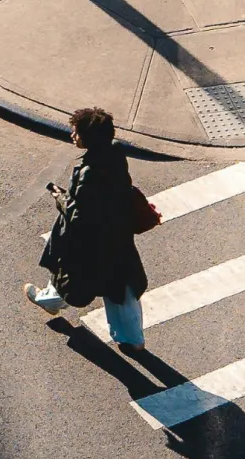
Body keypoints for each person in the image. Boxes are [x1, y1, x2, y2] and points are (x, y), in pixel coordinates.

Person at [24, 106, 151, 351]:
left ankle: (49, 301)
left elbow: (77, 214)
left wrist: (59, 197)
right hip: (117, 235)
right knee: (120, 287)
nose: (72, 136)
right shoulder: (116, 153)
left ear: (88, 139)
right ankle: (132, 340)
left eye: (76, 133)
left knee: (73, 275)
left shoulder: (89, 172)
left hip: (91, 242)